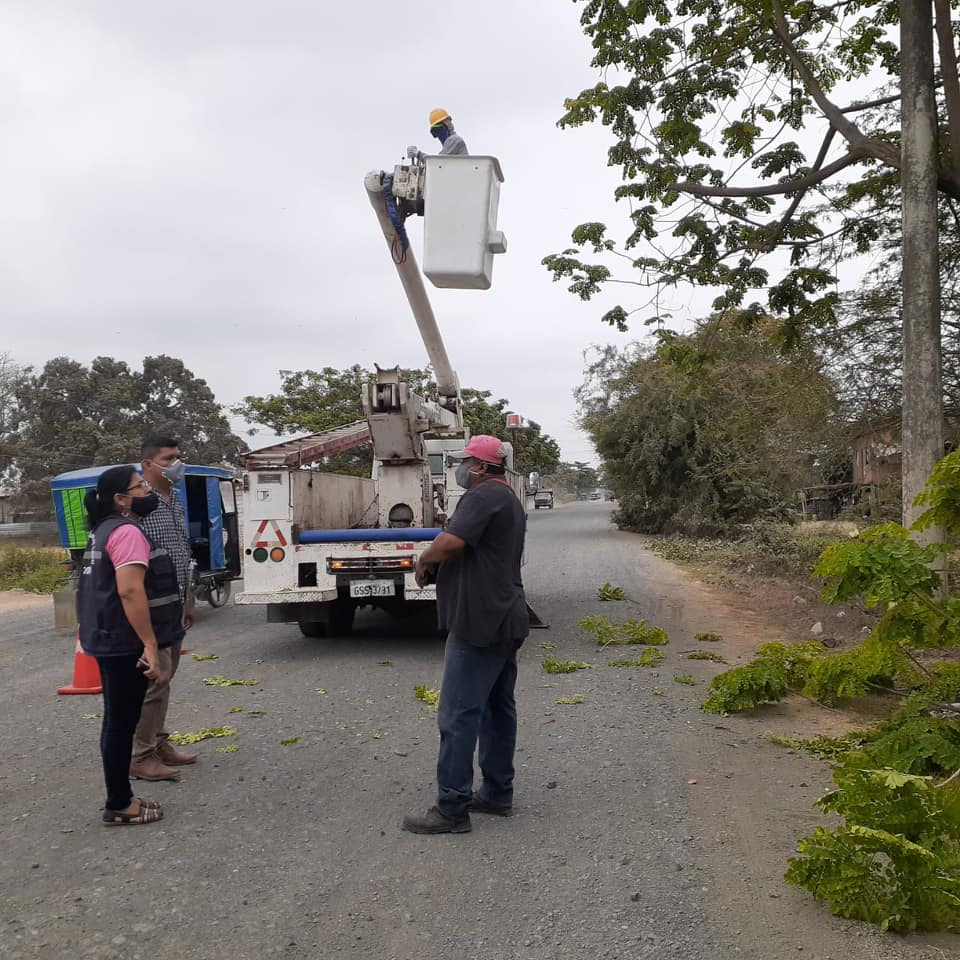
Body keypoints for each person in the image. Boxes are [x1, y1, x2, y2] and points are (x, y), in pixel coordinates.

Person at [403, 435, 529, 834]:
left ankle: (452, 808)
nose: (461, 468)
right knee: (496, 709)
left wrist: (424, 560)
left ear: (481, 467)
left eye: (466, 462)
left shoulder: (483, 495)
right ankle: (496, 792)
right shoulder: (507, 498)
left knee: (457, 714)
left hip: (479, 621)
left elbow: (450, 542)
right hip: (504, 616)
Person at [77, 465, 184, 825]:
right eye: (140, 487)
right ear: (121, 499)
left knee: (117, 722)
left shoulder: (102, 530)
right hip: (124, 642)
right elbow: (129, 590)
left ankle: (121, 797)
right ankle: (120, 804)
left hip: (106, 638)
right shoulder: (126, 533)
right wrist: (150, 644)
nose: (147, 492)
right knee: (120, 724)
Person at [129, 436, 196, 781]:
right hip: (152, 604)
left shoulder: (175, 499)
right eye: (169, 458)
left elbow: (182, 550)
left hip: (175, 602)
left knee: (166, 678)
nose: (176, 464)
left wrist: (188, 597)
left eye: (178, 457)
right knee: (154, 680)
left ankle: (158, 742)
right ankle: (140, 755)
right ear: (148, 464)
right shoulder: (140, 503)